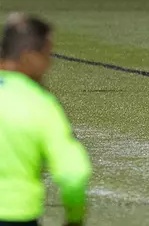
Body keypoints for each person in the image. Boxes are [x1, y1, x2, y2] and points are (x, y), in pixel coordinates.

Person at [0, 13, 91, 226]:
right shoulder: (41, 105)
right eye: (46, 55)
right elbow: (73, 174)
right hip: (16, 215)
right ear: (28, 56)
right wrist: (74, 219)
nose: (49, 65)